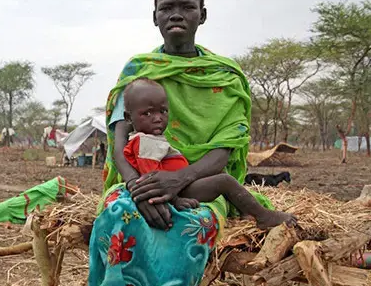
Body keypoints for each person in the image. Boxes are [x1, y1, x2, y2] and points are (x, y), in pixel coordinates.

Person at [88, 0, 278, 286]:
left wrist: (177, 182)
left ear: (202, 15)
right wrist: (137, 188)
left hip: (199, 183)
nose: (176, 14)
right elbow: (119, 135)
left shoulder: (224, 78)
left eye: (186, 6)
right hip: (139, 180)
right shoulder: (139, 71)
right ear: (154, 16)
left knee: (187, 226)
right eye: (167, 7)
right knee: (124, 214)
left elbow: (224, 152)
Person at [122, 78, 295, 228]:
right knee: (224, 181)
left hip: (178, 184)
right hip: (176, 190)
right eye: (148, 113)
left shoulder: (148, 138)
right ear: (129, 118)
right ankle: (263, 216)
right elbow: (151, 180)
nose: (158, 118)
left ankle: (244, 211)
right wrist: (175, 200)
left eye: (163, 111)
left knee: (218, 174)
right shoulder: (146, 142)